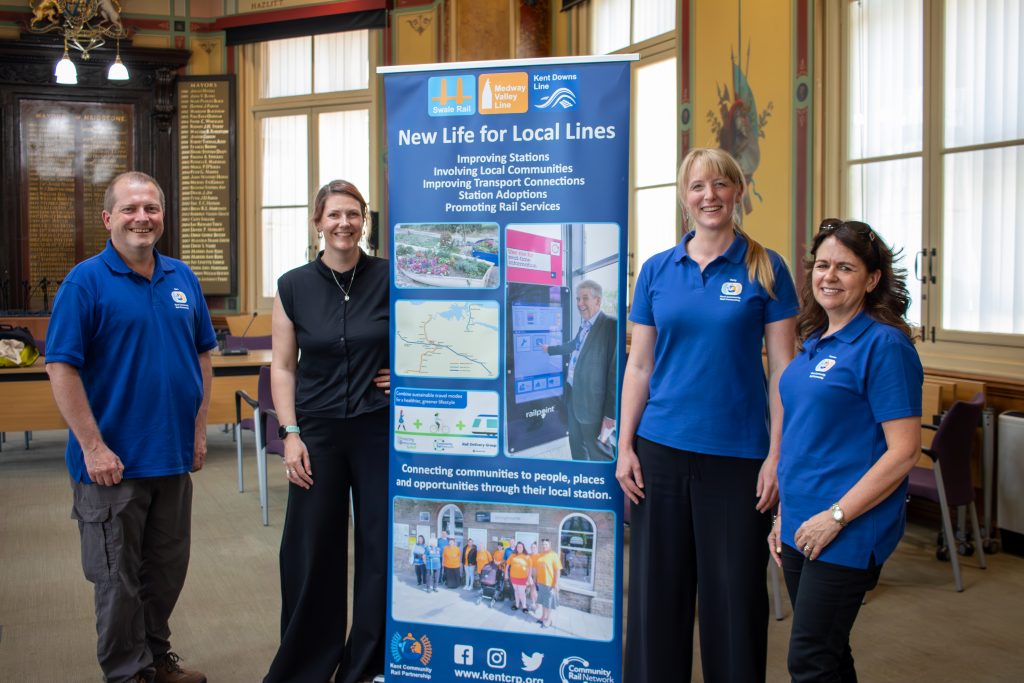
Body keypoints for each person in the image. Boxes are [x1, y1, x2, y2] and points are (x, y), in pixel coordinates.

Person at [617, 147, 798, 682]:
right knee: (656, 599)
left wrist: (777, 456)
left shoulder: (766, 268)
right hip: (660, 455)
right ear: (684, 197)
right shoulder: (656, 270)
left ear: (738, 192)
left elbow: (782, 372)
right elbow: (639, 367)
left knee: (734, 601)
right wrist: (626, 446)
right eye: (697, 186)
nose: (709, 196)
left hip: (738, 459)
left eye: (720, 184)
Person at [45, 171, 214, 683]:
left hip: (170, 456)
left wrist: (198, 431)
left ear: (163, 216)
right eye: (130, 208)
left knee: (163, 573)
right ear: (108, 218)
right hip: (111, 466)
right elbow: (61, 367)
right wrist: (93, 447)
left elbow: (202, 357)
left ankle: (155, 658)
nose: (142, 217)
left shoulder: (182, 277)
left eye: (151, 208)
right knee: (117, 580)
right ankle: (127, 673)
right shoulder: (85, 282)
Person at [768, 219, 922, 682]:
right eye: (822, 265)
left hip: (846, 528)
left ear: (872, 279)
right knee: (830, 654)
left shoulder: (885, 345)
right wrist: (785, 514)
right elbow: (805, 434)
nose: (828, 276)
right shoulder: (815, 340)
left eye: (845, 267)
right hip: (801, 522)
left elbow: (903, 452)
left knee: (810, 658)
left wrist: (835, 516)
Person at [264, 180, 390, 683]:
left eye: (353, 214)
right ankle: (307, 666)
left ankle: (366, 666)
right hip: (315, 432)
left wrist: (407, 373)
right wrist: (290, 432)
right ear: (318, 222)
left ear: (365, 221)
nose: (344, 223)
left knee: (379, 546)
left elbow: (424, 337)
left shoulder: (389, 277)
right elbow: (283, 367)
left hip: (377, 429)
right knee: (312, 547)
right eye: (334, 215)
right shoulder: (293, 285)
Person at [543, 280, 617, 460]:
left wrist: (610, 414)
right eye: (577, 299)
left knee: (599, 453)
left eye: (585, 298)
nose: (579, 303)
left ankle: (601, 487)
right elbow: (573, 345)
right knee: (577, 447)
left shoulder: (610, 325)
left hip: (594, 406)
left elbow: (615, 374)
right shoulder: (584, 326)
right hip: (574, 398)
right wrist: (550, 349)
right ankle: (582, 479)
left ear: (598, 301)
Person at [533, 539, 562, 628]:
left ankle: (549, 620)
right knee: (543, 601)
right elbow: (537, 569)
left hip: (550, 584)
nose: (544, 546)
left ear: (549, 545)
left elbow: (557, 570)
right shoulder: (540, 555)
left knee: (549, 603)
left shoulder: (554, 555)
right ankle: (543, 617)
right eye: (543, 544)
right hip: (541, 583)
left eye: (546, 544)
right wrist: (535, 579)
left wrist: (556, 584)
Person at [506, 542, 533, 613]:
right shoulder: (513, 555)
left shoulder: (527, 556)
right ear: (516, 548)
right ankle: (517, 605)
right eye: (518, 547)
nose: (519, 548)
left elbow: (530, 568)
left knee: (521, 592)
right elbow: (507, 565)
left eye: (521, 547)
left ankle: (524, 606)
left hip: (522, 578)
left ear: (523, 548)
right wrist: (506, 574)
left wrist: (529, 577)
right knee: (516, 591)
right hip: (513, 577)